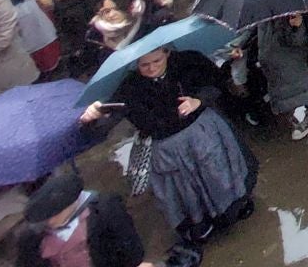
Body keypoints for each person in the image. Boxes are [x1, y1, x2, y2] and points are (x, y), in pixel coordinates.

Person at [77, 43, 257, 250]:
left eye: (157, 61)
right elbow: (105, 126)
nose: (152, 68)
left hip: (204, 134)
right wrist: (91, 118)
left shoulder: (189, 61)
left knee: (219, 172)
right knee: (184, 190)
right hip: (166, 148)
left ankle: (234, 207)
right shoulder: (129, 87)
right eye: (144, 65)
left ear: (167, 52)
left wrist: (199, 100)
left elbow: (216, 82)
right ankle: (201, 223)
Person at [6, 165, 152, 267]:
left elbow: (132, 252)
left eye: (54, 215)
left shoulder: (105, 211)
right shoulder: (30, 238)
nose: (50, 221)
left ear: (70, 205)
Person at [256, 13, 308, 148]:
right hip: (280, 66)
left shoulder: (290, 9)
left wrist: (297, 27)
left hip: (299, 60)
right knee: (298, 89)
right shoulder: (262, 14)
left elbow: (303, 40)